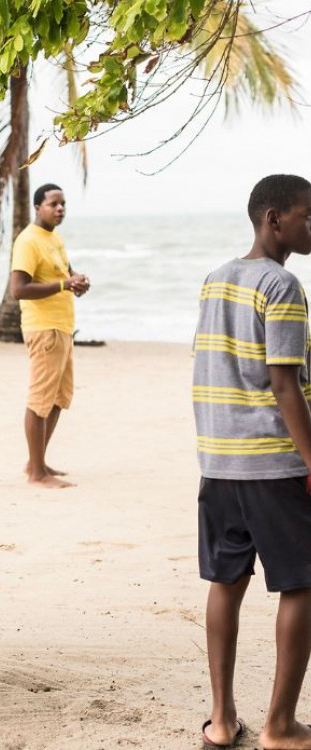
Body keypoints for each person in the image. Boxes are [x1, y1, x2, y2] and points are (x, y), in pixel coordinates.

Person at [192, 174, 311, 750]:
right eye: (307, 215)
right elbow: (285, 385)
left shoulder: (216, 279)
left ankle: (221, 720)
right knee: (303, 584)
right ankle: (280, 726)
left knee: (227, 581)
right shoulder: (283, 284)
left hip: (219, 462)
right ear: (273, 219)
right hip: (273, 462)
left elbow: (212, 367)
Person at [9, 183, 90, 489]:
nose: (60, 209)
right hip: (44, 328)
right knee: (40, 399)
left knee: (58, 398)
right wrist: (63, 286)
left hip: (63, 326)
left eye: (63, 204)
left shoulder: (54, 238)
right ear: (37, 207)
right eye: (53, 203)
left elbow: (65, 276)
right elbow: (18, 289)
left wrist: (77, 282)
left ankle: (37, 460)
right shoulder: (28, 240)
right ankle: (36, 474)